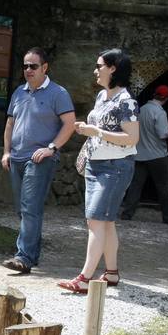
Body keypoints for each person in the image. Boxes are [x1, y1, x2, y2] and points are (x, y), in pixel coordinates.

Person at [58, 48, 139, 293]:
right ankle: (111, 274)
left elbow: (132, 138)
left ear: (113, 68)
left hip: (114, 168)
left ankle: (84, 278)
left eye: (99, 65)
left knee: (95, 221)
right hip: (96, 165)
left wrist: (97, 132)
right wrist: (88, 129)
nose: (96, 70)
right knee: (105, 222)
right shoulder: (103, 96)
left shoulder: (127, 101)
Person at [0, 47, 76, 274]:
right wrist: (6, 152)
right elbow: (10, 125)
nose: (28, 70)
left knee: (30, 208)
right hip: (17, 157)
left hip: (40, 159)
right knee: (22, 210)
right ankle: (31, 254)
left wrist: (51, 148)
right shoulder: (19, 92)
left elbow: (70, 123)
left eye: (33, 66)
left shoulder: (58, 93)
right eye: (25, 66)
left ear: (45, 67)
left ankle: (24, 257)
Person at [119, 83, 168, 224]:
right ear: (166, 98)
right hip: (157, 155)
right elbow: (162, 134)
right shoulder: (160, 113)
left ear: (154, 95)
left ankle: (127, 213)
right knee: (162, 186)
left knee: (135, 185)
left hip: (139, 154)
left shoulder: (142, 109)